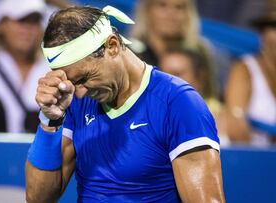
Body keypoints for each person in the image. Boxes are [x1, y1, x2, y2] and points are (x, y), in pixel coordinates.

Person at [25, 5, 225, 202]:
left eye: (84, 78)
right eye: (72, 82)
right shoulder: (73, 97)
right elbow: (37, 198)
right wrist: (50, 121)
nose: (78, 93)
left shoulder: (178, 103)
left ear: (112, 46)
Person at [0, 0, 50, 133]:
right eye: (21, 21)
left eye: (34, 22)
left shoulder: (52, 68)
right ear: (2, 24)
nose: (28, 29)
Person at [225, 0, 276, 146]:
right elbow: (235, 127)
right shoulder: (244, 70)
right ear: (262, 34)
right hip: (255, 161)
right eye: (274, 27)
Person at [160, 48, 229, 145]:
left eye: (177, 74)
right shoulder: (149, 116)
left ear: (200, 77)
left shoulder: (223, 117)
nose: (167, 82)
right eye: (162, 75)